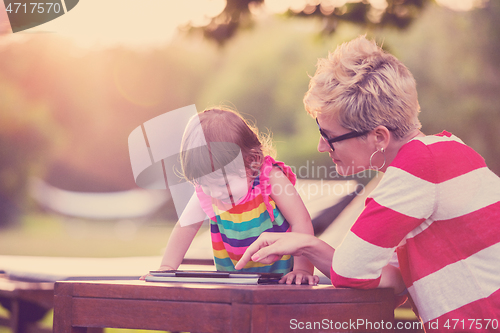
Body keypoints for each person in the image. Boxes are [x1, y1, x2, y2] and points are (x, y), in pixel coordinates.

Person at [236, 35, 500, 331]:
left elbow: (350, 270)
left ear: (379, 138)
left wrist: (308, 244)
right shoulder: (444, 153)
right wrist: (309, 247)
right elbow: (394, 279)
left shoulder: (417, 168)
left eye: (330, 136)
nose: (323, 147)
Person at [145, 108, 318, 285]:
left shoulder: (270, 178)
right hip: (233, 281)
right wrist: (167, 267)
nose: (215, 193)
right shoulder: (207, 192)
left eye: (223, 184)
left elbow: (301, 221)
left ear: (253, 161)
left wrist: (302, 269)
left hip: (282, 281)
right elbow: (186, 227)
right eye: (205, 184)